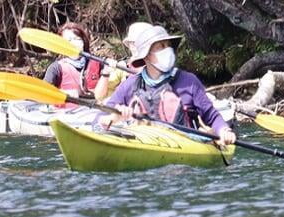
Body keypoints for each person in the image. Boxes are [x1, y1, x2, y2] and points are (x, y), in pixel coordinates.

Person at [98, 22, 237, 147]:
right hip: (144, 144)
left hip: (186, 148)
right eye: (161, 47)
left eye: (168, 46)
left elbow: (212, 116)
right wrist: (112, 118)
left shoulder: (189, 81)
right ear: (146, 56)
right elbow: (98, 120)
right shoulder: (130, 85)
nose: (168, 50)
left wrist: (224, 130)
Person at [41, 21, 105, 103]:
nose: (74, 44)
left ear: (83, 42)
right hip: (68, 112)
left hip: (94, 112)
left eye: (77, 39)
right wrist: (64, 93)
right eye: (69, 41)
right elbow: (44, 93)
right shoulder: (55, 68)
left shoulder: (98, 63)